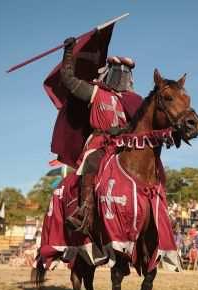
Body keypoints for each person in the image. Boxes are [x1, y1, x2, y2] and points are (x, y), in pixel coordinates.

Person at [60, 37, 143, 234]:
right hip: (99, 142)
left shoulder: (132, 101)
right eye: (118, 71)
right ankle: (85, 211)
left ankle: (152, 211)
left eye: (126, 73)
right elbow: (68, 80)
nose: (122, 77)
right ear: (109, 72)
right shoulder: (95, 91)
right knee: (92, 162)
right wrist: (69, 53)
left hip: (122, 144)